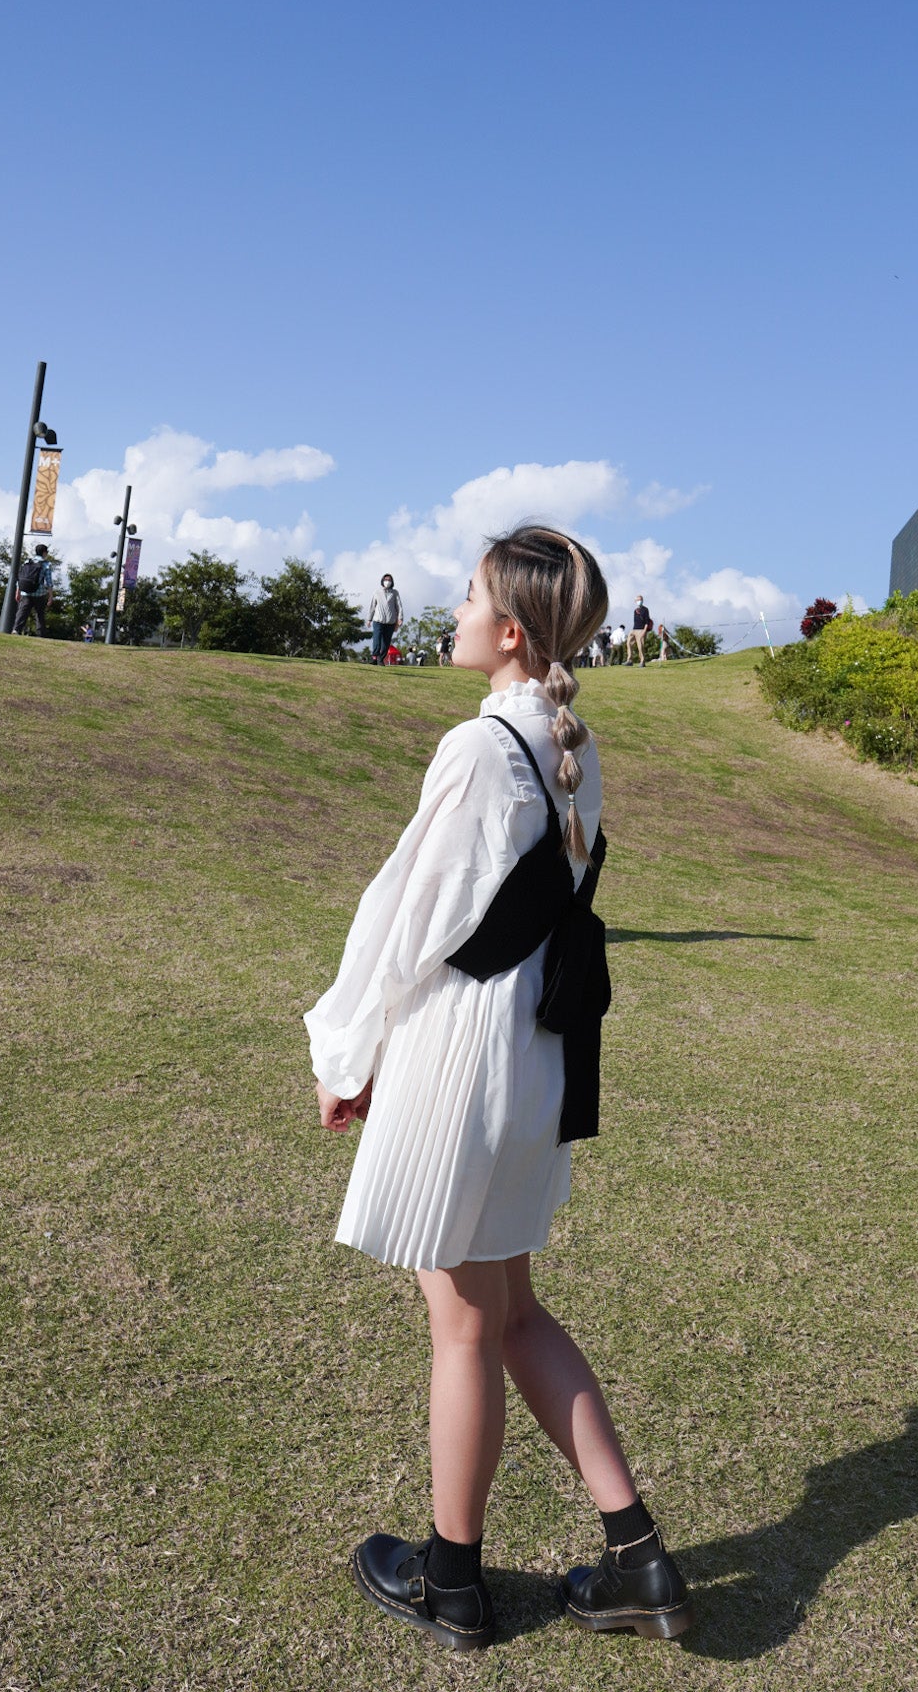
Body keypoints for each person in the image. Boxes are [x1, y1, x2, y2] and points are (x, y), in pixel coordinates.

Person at [305, 525, 693, 1654]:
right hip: (535, 1054)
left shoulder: (482, 747)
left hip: (468, 1051)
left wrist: (350, 1053)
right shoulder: (572, 743)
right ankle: (640, 1558)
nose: (455, 608)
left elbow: (404, 920)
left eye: (470, 594)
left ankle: (453, 1580)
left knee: (465, 1322)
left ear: (511, 629)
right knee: (509, 1308)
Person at [12, 545, 55, 636]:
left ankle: (16, 630)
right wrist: (50, 596)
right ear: (44, 553)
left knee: (22, 612)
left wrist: (17, 592)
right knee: (39, 614)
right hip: (39, 593)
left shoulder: (27, 562)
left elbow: (20, 578)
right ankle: (40, 633)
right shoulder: (46, 564)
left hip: (25, 591)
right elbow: (49, 582)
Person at [368, 574, 403, 663]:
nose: (387, 581)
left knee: (386, 642)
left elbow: (399, 606)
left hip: (390, 621)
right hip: (378, 620)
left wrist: (400, 618)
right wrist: (369, 619)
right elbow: (372, 606)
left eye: (389, 580)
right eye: (386, 579)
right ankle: (374, 657)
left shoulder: (395, 593)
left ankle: (381, 658)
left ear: (392, 582)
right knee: (377, 638)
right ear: (382, 581)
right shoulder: (377, 592)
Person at [628, 595, 653, 665]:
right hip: (634, 629)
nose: (640, 601)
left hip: (641, 630)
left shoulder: (645, 609)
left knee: (640, 646)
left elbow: (647, 622)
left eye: (641, 600)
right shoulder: (635, 610)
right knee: (629, 643)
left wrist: (644, 631)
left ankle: (642, 661)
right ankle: (629, 660)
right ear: (635, 601)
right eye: (638, 600)